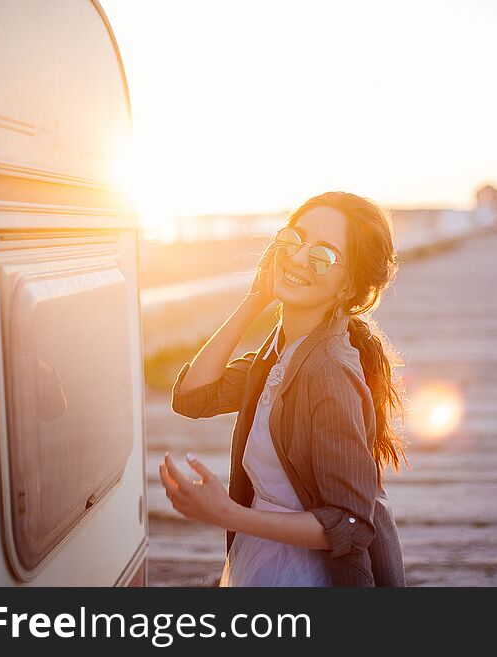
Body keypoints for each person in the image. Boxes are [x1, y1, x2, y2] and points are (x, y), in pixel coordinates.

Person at [161, 191, 408, 586]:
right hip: (262, 553)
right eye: (294, 239)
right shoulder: (280, 350)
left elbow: (353, 524)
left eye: (323, 256)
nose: (297, 258)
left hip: (306, 575)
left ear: (347, 288)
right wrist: (254, 299)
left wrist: (227, 513)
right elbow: (193, 396)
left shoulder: (328, 373)